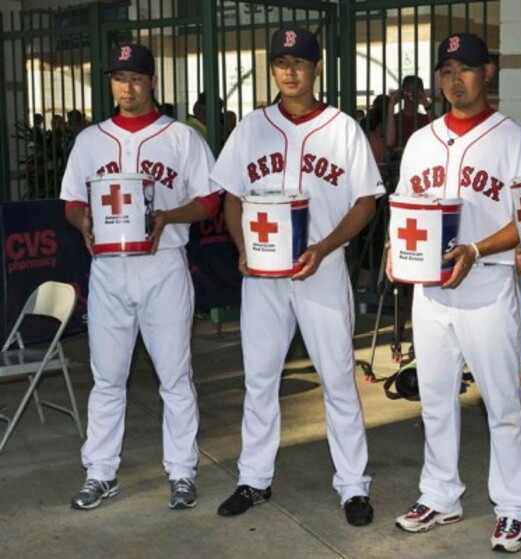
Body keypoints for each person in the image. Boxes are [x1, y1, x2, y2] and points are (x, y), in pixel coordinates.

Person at [209, 25, 384, 527]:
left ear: (317, 67)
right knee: (260, 379)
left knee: (338, 379)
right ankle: (253, 478)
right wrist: (243, 247)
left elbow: (366, 202)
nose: (289, 72)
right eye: (281, 63)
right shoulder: (252, 127)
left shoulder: (342, 128)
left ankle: (353, 485)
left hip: (320, 270)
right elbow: (231, 197)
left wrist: (325, 247)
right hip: (263, 275)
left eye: (299, 62)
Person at [388, 33, 521, 553]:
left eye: (467, 69)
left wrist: (477, 248)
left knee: (503, 403)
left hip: (488, 283)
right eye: (447, 70)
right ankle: (440, 495)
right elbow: (404, 207)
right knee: (434, 400)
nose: (456, 80)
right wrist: (393, 248)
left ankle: (513, 507)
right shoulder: (421, 141)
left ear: (489, 72)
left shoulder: (513, 138)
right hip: (431, 291)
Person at [60, 43, 220, 511]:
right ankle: (100, 472)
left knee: (175, 376)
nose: (127, 88)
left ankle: (182, 471)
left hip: (163, 264)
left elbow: (209, 201)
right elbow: (72, 200)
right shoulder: (90, 140)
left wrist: (169, 217)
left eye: (135, 78)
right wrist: (80, 220)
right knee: (107, 378)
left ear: (152, 81)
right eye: (119, 78)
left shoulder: (181, 137)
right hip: (109, 268)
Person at [386, 75, 433, 151]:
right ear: (402, 93)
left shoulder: (425, 118)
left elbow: (438, 131)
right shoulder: (394, 119)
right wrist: (391, 105)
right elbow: (389, 143)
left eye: (415, 91)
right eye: (407, 91)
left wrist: (426, 104)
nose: (411, 95)